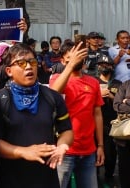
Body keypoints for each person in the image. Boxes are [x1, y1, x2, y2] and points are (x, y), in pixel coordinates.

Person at [0, 43, 73, 188]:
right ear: (9, 71)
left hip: (46, 178)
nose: (29, 67)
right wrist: (24, 152)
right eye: (21, 63)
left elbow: (66, 130)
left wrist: (62, 146)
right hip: (10, 179)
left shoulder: (52, 97)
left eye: (32, 62)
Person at [49, 41, 105, 188]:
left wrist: (100, 145)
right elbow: (53, 95)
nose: (76, 61)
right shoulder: (57, 79)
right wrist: (69, 66)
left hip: (88, 150)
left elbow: (97, 114)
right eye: (71, 58)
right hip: (64, 150)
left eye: (79, 57)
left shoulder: (93, 82)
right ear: (63, 60)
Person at [95, 54, 121, 187]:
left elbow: (122, 104)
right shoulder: (92, 81)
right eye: (102, 65)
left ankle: (109, 178)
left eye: (107, 65)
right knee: (94, 156)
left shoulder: (118, 84)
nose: (104, 67)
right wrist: (98, 95)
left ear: (112, 67)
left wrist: (110, 96)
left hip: (111, 124)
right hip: (94, 124)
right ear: (98, 66)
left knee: (110, 156)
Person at [112, 79, 130, 188]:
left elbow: (123, 105)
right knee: (124, 168)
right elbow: (117, 106)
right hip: (124, 137)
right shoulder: (125, 84)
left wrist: (127, 101)